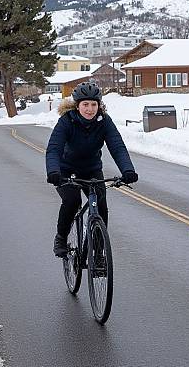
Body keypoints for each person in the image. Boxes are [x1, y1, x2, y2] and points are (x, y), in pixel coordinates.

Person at [46, 81, 138, 257]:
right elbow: (54, 149)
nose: (90, 109)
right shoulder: (67, 121)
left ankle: (98, 253)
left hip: (92, 169)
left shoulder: (104, 121)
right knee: (72, 201)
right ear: (77, 105)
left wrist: (128, 170)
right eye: (85, 104)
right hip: (65, 171)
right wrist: (53, 172)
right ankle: (61, 238)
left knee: (101, 205)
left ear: (99, 105)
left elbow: (117, 146)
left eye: (93, 104)